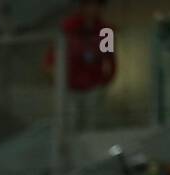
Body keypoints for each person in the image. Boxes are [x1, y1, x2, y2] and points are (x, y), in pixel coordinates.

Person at [44, 0, 117, 133]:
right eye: (90, 5)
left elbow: (110, 58)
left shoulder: (104, 30)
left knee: (92, 125)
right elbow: (53, 54)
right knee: (70, 124)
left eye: (97, 6)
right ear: (83, 7)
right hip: (71, 87)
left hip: (93, 86)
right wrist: (54, 75)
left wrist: (106, 80)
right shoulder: (68, 28)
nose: (93, 10)